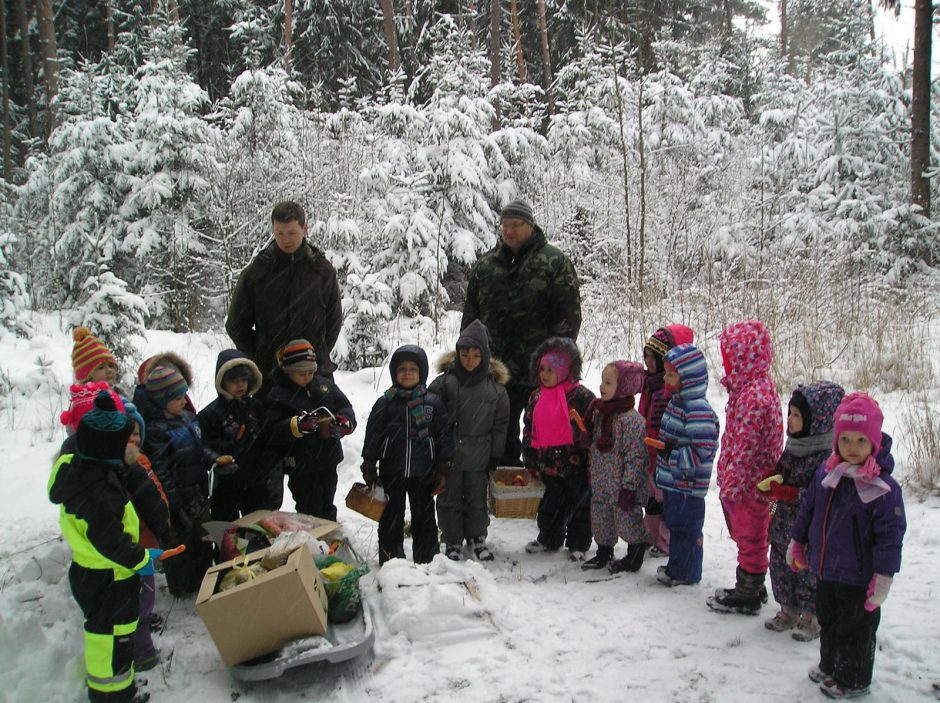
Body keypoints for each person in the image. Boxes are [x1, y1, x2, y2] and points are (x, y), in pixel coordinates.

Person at [789, 393, 906, 699]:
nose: (852, 448)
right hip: (826, 569)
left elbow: (890, 536)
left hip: (859, 577)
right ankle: (830, 665)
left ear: (874, 443)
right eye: (845, 441)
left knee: (856, 629)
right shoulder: (827, 475)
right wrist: (797, 543)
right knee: (829, 620)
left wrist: (883, 577)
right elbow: (808, 512)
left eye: (860, 441)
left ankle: (854, 678)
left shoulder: (883, 489)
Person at [49, 390, 162, 703]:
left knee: (110, 639)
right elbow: (109, 539)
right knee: (111, 642)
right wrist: (139, 558)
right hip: (108, 577)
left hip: (96, 572)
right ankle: (112, 696)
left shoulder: (82, 470)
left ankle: (118, 689)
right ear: (108, 447)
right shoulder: (98, 491)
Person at [462, 199, 582, 466]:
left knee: (539, 436)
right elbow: (471, 316)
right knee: (498, 433)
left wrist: (556, 364)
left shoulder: (554, 263)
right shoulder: (486, 266)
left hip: (538, 373)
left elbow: (568, 319)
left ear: (530, 225)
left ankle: (537, 488)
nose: (509, 231)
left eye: (515, 225)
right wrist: (467, 355)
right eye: (505, 226)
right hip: (493, 369)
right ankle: (501, 488)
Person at [707, 319, 783, 615]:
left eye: (729, 359)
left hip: (751, 483)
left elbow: (746, 446)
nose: (726, 366)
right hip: (752, 480)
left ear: (742, 357)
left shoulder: (754, 397)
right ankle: (753, 583)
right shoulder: (753, 389)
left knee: (751, 535)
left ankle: (749, 589)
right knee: (749, 533)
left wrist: (733, 483)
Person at [225, 201, 343, 387]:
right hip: (270, 377)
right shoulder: (257, 273)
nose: (285, 239)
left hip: (315, 374)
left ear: (305, 229)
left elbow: (334, 322)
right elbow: (236, 325)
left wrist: (314, 354)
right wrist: (261, 354)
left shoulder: (322, 272)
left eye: (291, 233)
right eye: (279, 233)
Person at [760, 381, 844, 642]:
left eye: (797, 416)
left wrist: (792, 493)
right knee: (780, 567)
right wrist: (772, 480)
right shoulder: (794, 447)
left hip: (809, 532)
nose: (791, 420)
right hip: (783, 523)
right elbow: (782, 474)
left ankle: (811, 616)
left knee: (807, 572)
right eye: (790, 414)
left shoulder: (826, 457)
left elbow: (823, 496)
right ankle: (788, 609)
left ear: (816, 420)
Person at [360, 345, 454, 565]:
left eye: (413, 369)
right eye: (402, 369)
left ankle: (427, 559)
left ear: (421, 373)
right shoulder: (385, 403)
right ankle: (391, 559)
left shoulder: (433, 403)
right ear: (394, 373)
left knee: (424, 518)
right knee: (391, 518)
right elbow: (373, 435)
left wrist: (444, 466)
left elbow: (443, 435)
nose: (408, 373)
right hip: (392, 471)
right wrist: (369, 465)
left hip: (424, 472)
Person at [428, 319, 510, 562]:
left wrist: (496, 455)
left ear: (484, 356)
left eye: (476, 355)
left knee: (477, 500)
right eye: (465, 354)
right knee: (448, 499)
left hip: (479, 455)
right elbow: (431, 417)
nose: (470, 360)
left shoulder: (496, 390)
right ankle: (452, 539)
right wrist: (434, 451)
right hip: (450, 456)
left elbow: (500, 425)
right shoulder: (444, 383)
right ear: (458, 353)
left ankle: (477, 536)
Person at [135, 362, 219, 596]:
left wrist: (215, 458)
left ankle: (204, 580)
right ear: (163, 401)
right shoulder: (155, 431)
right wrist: (175, 506)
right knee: (180, 543)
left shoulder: (188, 418)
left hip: (198, 494)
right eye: (178, 398)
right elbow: (162, 472)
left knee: (203, 538)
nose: (184, 401)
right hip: (177, 499)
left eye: (185, 396)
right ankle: (182, 587)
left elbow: (200, 449)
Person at [263, 339, 356, 520]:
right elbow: (272, 430)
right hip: (300, 463)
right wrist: (296, 425)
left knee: (327, 500)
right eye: (301, 374)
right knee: (309, 508)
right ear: (288, 371)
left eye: (311, 372)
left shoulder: (324, 386)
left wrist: (345, 422)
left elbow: (344, 405)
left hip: (328, 457)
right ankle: (313, 542)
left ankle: (329, 535)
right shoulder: (278, 394)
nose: (307, 377)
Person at [522, 337, 596, 561]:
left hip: (576, 465)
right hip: (548, 464)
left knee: (580, 507)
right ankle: (549, 537)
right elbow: (528, 427)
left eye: (551, 370)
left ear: (566, 371)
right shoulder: (537, 396)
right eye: (542, 369)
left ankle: (578, 543)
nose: (544, 374)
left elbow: (594, 426)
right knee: (550, 505)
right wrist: (530, 456)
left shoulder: (582, 397)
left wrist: (586, 440)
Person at [653, 344, 719, 587]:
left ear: (688, 377)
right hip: (675, 480)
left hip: (687, 483)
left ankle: (686, 571)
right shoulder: (678, 401)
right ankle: (677, 566)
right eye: (666, 373)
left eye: (672, 374)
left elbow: (703, 449)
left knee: (686, 529)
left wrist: (674, 456)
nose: (666, 378)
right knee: (676, 525)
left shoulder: (697, 408)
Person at [582, 360, 649, 573]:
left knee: (627, 518)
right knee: (601, 516)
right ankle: (604, 551)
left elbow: (636, 456)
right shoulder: (599, 412)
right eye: (602, 381)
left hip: (622, 485)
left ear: (624, 387)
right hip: (601, 479)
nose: (602, 386)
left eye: (608, 382)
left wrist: (629, 486)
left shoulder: (631, 421)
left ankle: (635, 553)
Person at [198, 350, 280, 519]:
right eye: (234, 381)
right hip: (227, 484)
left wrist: (267, 464)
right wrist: (227, 449)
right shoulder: (210, 414)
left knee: (260, 528)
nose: (240, 385)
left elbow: (269, 439)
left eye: (243, 380)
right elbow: (202, 446)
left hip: (257, 481)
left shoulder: (257, 408)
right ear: (222, 382)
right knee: (227, 532)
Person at [639, 324, 694, 559]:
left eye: (654, 357)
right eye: (646, 356)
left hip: (661, 453)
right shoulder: (650, 383)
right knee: (652, 497)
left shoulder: (666, 388)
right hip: (649, 449)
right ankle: (650, 535)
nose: (648, 362)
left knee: (664, 501)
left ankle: (665, 541)